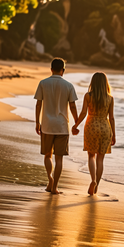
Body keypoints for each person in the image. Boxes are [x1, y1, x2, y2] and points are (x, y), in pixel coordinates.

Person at [34, 58, 78, 194]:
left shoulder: (43, 83)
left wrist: (37, 122)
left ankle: (50, 179)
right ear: (63, 71)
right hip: (62, 126)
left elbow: (38, 104)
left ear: (51, 69)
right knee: (59, 158)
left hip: (47, 125)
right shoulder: (69, 86)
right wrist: (76, 122)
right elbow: (72, 105)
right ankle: (55, 187)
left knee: (47, 156)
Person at [72, 72, 116, 195]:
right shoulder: (110, 98)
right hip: (105, 127)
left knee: (91, 156)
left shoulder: (88, 96)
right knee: (100, 159)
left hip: (91, 126)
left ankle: (92, 180)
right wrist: (113, 134)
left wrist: (75, 125)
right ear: (105, 83)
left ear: (93, 83)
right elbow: (111, 118)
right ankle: (97, 184)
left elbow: (83, 113)